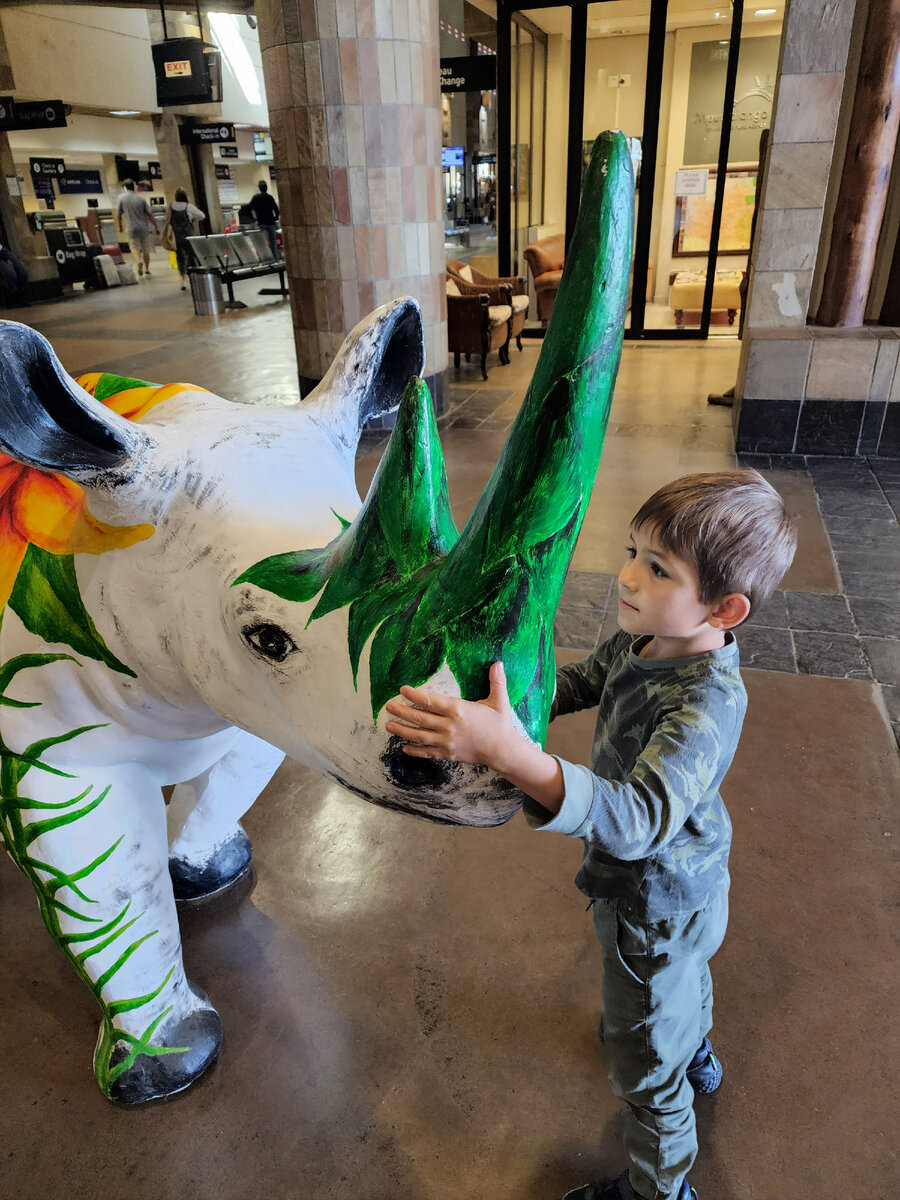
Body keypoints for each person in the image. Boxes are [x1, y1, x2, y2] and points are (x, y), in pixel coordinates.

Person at [385, 470, 798, 1200]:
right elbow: (584, 684)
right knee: (688, 977)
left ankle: (660, 1187)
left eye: (659, 568)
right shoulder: (645, 639)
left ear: (725, 607)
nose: (627, 575)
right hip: (692, 883)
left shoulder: (707, 701)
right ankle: (692, 1044)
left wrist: (508, 754)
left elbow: (637, 821)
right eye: (632, 549)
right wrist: (506, 697)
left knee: (642, 1066)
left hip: (653, 901)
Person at [116, 178, 160, 278]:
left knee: (134, 247)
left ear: (125, 187)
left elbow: (119, 214)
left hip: (131, 228)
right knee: (146, 249)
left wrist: (120, 226)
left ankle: (138, 261)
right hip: (144, 228)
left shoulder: (121, 198)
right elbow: (150, 214)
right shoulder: (141, 198)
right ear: (134, 186)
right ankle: (147, 270)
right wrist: (156, 226)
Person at [165, 187, 205, 291]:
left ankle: (183, 281)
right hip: (189, 237)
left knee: (180, 258)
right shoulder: (189, 207)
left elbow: (167, 219)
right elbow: (202, 215)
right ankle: (195, 278)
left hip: (177, 237)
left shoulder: (170, 207)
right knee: (192, 257)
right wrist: (193, 219)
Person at [248, 180, 280, 259]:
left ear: (259, 188)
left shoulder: (256, 198)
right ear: (266, 188)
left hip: (262, 223)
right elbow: (276, 209)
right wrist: (275, 217)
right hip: (271, 223)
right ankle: (275, 259)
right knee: (273, 242)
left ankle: (265, 259)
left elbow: (248, 208)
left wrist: (253, 219)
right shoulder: (270, 197)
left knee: (264, 243)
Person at [0, 241, 29, 306]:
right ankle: (14, 298)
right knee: (10, 273)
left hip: (3, 251)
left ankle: (22, 296)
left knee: (23, 272)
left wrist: (7, 257)